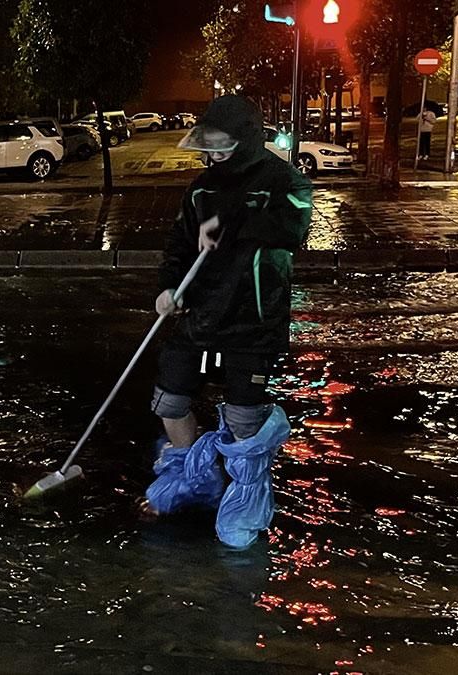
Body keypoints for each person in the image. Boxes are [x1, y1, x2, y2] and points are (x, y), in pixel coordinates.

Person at [140, 95, 313, 547]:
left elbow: (292, 230)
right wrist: (169, 287)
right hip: (201, 317)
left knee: (242, 416)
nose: (213, 156)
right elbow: (179, 244)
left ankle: (246, 500)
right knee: (170, 398)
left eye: (222, 147)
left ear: (247, 141)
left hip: (253, 320)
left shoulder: (284, 181)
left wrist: (230, 222)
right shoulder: (199, 189)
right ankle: (190, 478)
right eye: (208, 147)